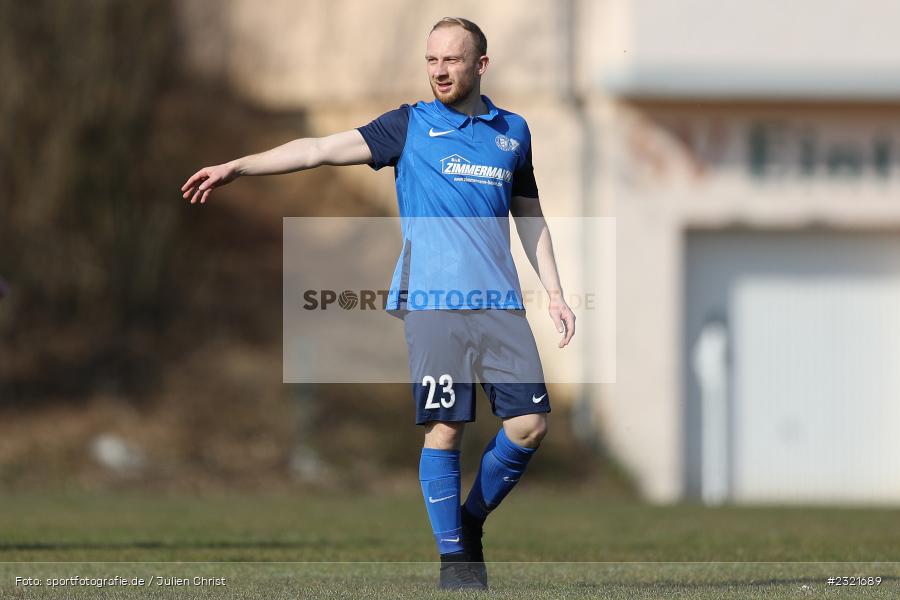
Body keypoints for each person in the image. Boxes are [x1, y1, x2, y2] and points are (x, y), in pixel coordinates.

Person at [181, 17, 575, 590]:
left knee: (530, 425)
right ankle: (455, 563)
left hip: (500, 304)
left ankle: (468, 523)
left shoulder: (513, 132)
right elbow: (318, 149)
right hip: (434, 304)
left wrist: (556, 293)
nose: (440, 70)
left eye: (452, 60)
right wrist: (238, 166)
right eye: (432, 60)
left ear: (480, 65)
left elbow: (529, 215)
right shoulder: (407, 127)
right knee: (445, 428)